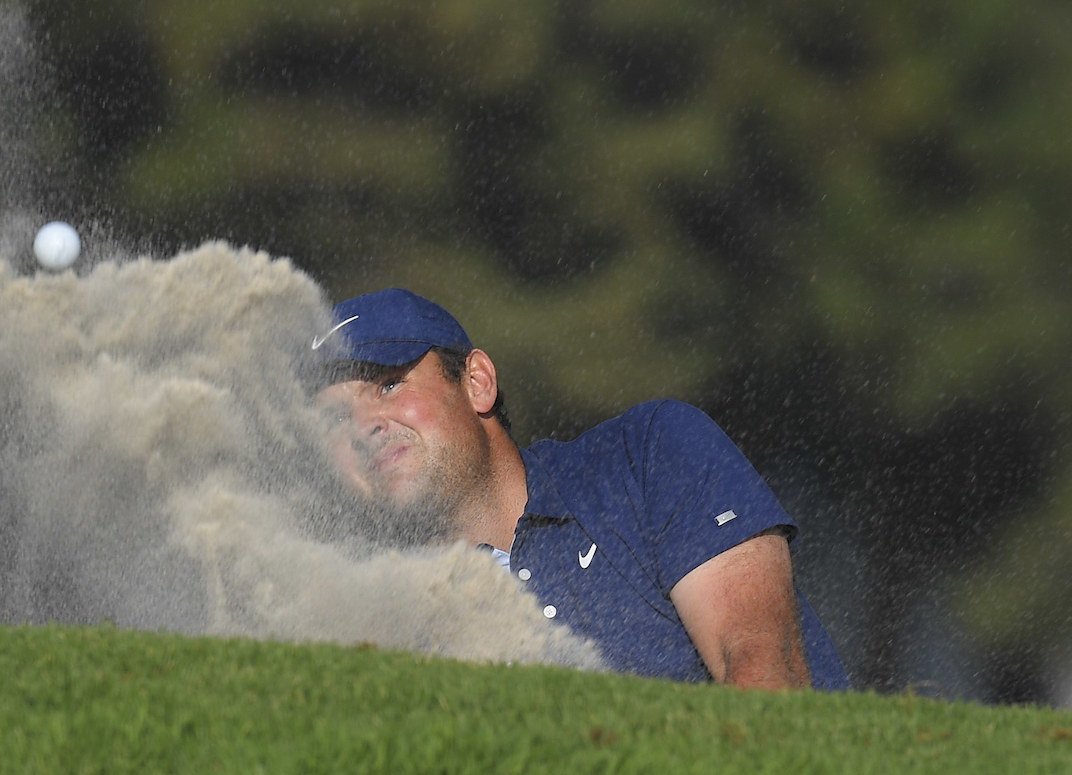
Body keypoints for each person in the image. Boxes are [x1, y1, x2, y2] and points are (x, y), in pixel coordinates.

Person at [312, 287, 849, 690]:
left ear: (476, 383)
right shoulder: (365, 616)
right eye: (335, 418)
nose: (364, 427)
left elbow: (762, 666)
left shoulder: (645, 458)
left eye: (388, 384)